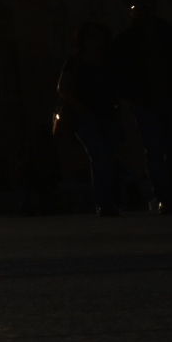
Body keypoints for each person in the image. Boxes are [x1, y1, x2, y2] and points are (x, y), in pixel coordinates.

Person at [112, 0, 172, 214]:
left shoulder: (171, 35)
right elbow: (120, 72)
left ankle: (168, 192)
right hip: (146, 101)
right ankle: (164, 196)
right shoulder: (127, 40)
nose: (143, 14)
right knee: (155, 150)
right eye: (138, 9)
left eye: (146, 9)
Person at [56, 21, 122, 216]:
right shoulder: (75, 61)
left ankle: (111, 200)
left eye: (97, 36)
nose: (94, 40)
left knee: (109, 157)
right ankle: (104, 203)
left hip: (107, 114)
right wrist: (80, 107)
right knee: (99, 156)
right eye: (90, 36)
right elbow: (63, 88)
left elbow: (118, 87)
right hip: (83, 117)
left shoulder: (109, 61)